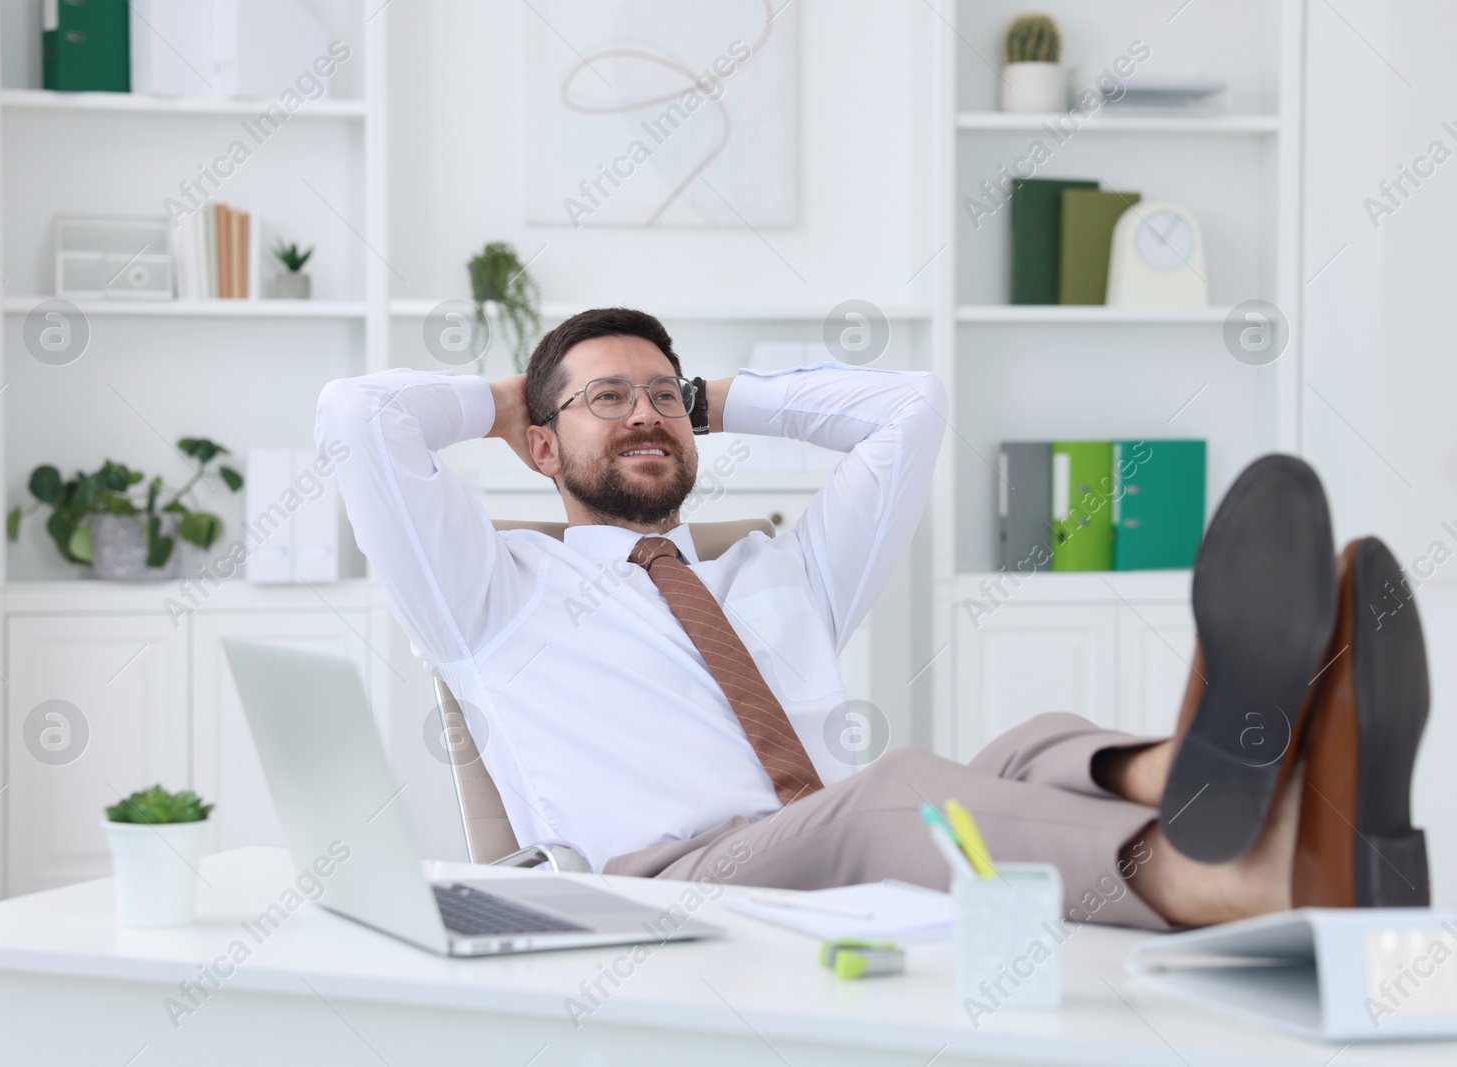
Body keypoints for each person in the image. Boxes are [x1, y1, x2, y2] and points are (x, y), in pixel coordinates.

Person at [316, 306, 1430, 930]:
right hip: (664, 886)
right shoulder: (489, 593)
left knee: (1033, 741)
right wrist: (514, 398)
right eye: (609, 399)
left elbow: (912, 410)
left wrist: (716, 394)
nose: (645, 411)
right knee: (888, 790)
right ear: (542, 448)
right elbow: (356, 417)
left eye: (665, 393)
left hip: (813, 848)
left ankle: (1204, 773)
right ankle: (1225, 874)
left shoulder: (777, 572)